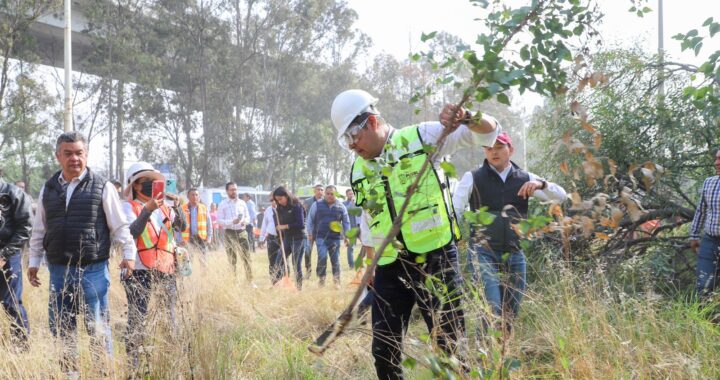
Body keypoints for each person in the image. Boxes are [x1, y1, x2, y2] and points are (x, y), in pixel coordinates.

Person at [332, 89, 501, 378]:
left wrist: (467, 117)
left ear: (371, 122)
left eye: (353, 137)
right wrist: (370, 261)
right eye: (346, 141)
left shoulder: (420, 138)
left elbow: (489, 134)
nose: (351, 146)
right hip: (388, 268)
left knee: (451, 344)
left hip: (435, 259)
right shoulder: (358, 169)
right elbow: (368, 216)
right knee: (384, 350)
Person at [27, 131, 136, 374]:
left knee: (97, 326)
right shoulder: (48, 188)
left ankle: (102, 373)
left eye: (79, 153)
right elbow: (39, 230)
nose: (74, 159)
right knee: (61, 328)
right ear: (58, 157)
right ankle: (70, 375)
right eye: (68, 154)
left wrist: (129, 255)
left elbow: (119, 226)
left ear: (86, 155)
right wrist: (33, 261)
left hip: (93, 270)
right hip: (57, 270)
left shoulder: (102, 187)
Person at [453, 132, 567, 328]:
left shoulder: (526, 178)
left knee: (510, 313)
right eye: (489, 148)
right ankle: (486, 355)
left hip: (515, 253)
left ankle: (501, 354)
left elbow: (561, 197)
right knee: (492, 308)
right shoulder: (472, 177)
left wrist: (542, 184)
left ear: (510, 150)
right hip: (482, 252)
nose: (493, 152)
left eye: (499, 147)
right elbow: (455, 210)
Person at [121, 162, 186, 368]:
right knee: (137, 317)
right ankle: (135, 363)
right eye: (147, 182)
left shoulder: (165, 206)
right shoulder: (128, 207)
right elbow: (131, 233)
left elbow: (180, 227)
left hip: (166, 269)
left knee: (171, 314)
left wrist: (179, 208)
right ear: (136, 186)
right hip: (139, 270)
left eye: (154, 181)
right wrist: (147, 211)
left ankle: (171, 355)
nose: (152, 185)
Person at [0, 179, 32, 348]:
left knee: (11, 302)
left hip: (8, 255)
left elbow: (25, 227)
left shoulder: (15, 194)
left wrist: (4, 255)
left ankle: (21, 347)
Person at [306, 185, 350, 287]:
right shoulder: (316, 205)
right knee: (322, 256)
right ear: (325, 194)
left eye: (332, 194)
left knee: (336, 260)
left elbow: (346, 222)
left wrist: (346, 236)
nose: (330, 196)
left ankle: (337, 281)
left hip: (335, 238)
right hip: (320, 237)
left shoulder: (341, 206)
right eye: (328, 193)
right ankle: (321, 279)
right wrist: (309, 233)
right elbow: (310, 220)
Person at [690, 149, 720, 298]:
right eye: (716, 159)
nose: (716, 163)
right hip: (710, 241)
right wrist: (694, 235)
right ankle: (707, 320)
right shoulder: (709, 183)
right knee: (704, 285)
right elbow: (701, 211)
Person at [218, 182, 254, 286]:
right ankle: (233, 282)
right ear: (227, 191)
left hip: (242, 232)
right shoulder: (222, 204)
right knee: (232, 259)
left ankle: (250, 281)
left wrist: (244, 221)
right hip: (229, 233)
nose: (234, 191)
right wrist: (231, 222)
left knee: (247, 257)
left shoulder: (242, 203)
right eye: (232, 189)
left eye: (235, 189)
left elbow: (248, 217)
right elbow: (220, 221)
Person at [273, 186, 306, 290]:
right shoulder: (279, 208)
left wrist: (285, 226)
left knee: (296, 263)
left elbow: (300, 224)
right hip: (287, 237)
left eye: (280, 199)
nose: (279, 202)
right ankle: (280, 283)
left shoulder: (297, 206)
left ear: (286, 196)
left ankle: (299, 287)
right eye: (277, 200)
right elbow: (279, 222)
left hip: (299, 238)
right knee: (279, 260)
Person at [181, 188, 213, 261]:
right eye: (192, 195)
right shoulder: (183, 209)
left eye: (196, 195)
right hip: (188, 239)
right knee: (188, 261)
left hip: (202, 238)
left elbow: (209, 224)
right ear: (188, 196)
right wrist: (179, 239)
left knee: (203, 260)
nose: (195, 196)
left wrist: (209, 237)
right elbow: (179, 226)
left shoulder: (204, 208)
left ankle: (203, 273)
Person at [302, 184, 323, 278]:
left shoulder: (326, 201)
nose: (320, 191)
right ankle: (308, 271)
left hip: (321, 231)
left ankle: (320, 272)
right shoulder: (307, 201)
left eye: (322, 190)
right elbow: (303, 215)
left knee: (321, 252)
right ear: (314, 191)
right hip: (309, 231)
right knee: (307, 252)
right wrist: (307, 230)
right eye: (318, 189)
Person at [260, 198, 281, 284]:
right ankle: (274, 282)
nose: (274, 202)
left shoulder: (283, 209)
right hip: (271, 238)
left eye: (275, 200)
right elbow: (264, 224)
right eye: (272, 200)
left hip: (282, 238)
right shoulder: (268, 210)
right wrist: (262, 238)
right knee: (272, 260)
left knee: (281, 260)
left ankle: (282, 280)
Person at [343, 188, 361, 269]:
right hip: (351, 229)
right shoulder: (344, 204)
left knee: (366, 245)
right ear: (346, 195)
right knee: (351, 247)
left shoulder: (358, 202)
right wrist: (351, 202)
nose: (351, 195)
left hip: (360, 227)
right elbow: (347, 210)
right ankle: (351, 264)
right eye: (349, 194)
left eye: (352, 194)